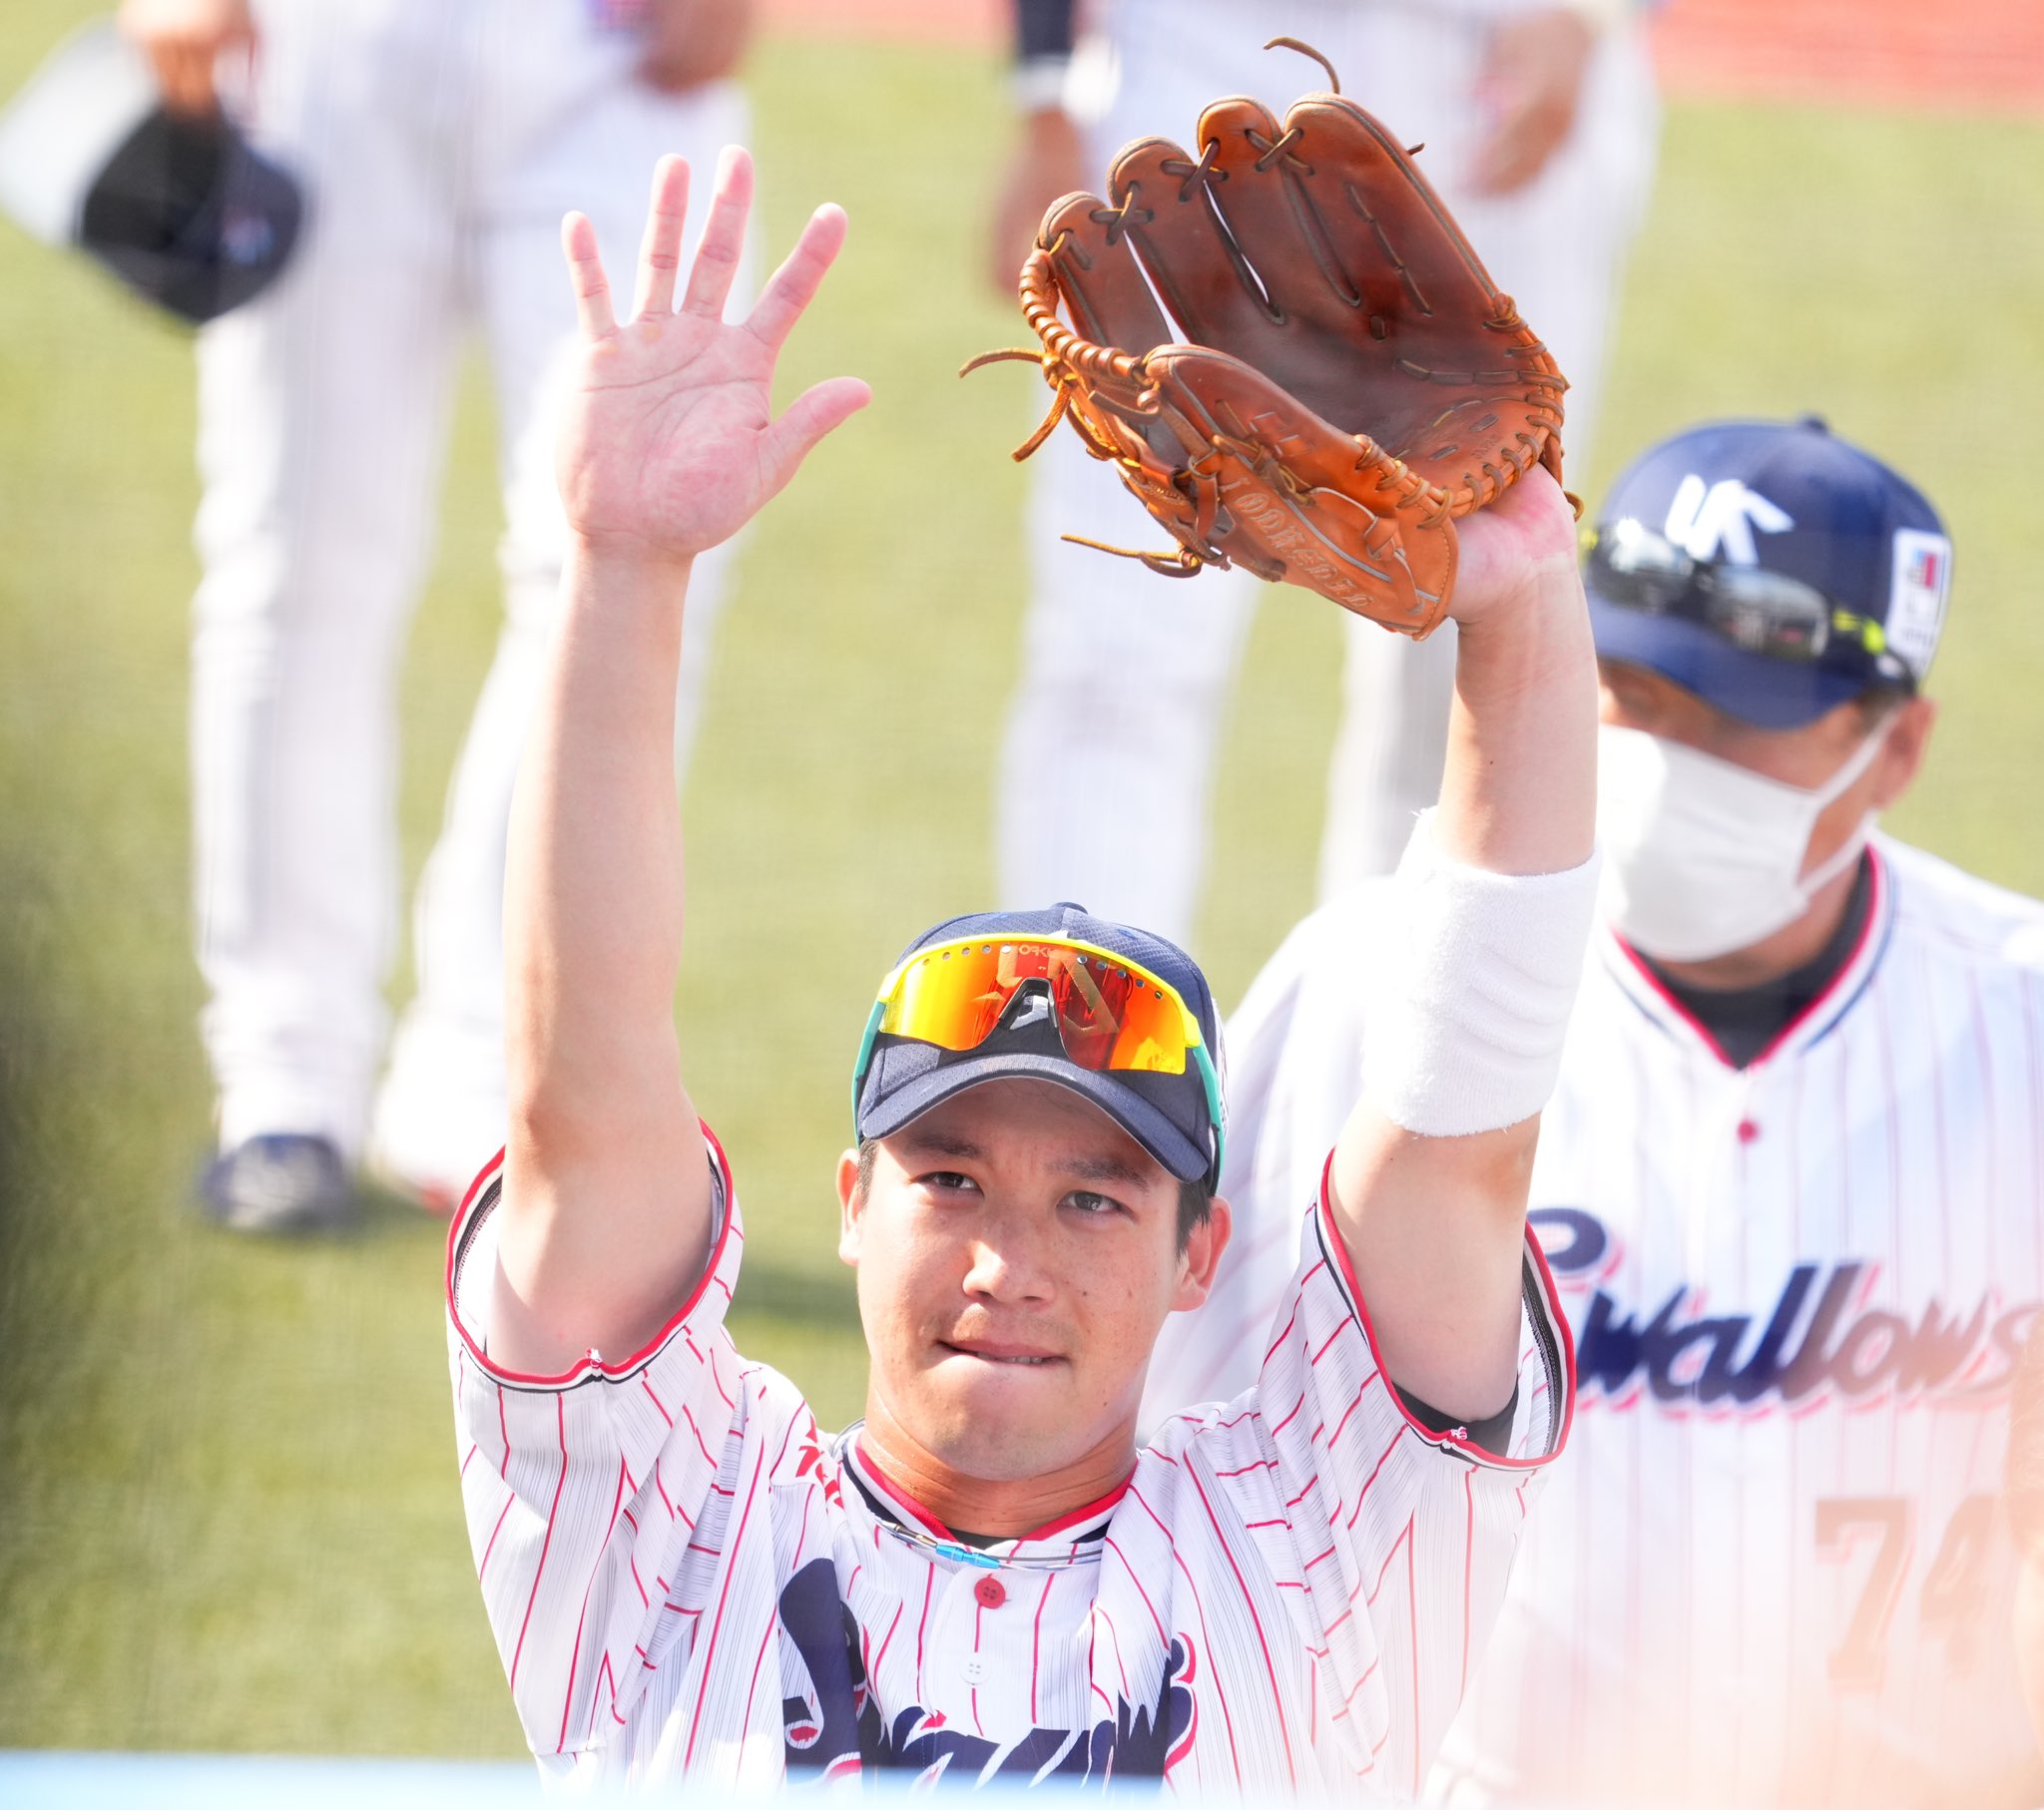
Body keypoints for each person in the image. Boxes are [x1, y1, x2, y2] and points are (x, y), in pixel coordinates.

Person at [446, 148, 1603, 1790]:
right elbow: (585, 1102)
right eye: (950, 1176)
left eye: (1095, 1198)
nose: (1008, 1258)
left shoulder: (1308, 1540)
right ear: (851, 1201)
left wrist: (1526, 598)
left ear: (1202, 1256)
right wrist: (622, 570)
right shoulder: (682, 1524)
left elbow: (1461, 1133)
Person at [1144, 416, 2044, 1805]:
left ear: (1895, 747)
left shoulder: (2019, 1018)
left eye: (1739, 717)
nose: (1670, 750)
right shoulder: (1372, 985)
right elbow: (1181, 1452)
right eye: (1632, 689)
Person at [117, 0, 755, 1229]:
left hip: (610, 57)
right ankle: (284, 1079)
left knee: (630, 554)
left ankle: (485, 1074)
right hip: (332, 42)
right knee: (295, 559)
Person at [987, 0, 1659, 945]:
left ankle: (1404, 1033)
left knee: (1470, 655)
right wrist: (1046, 90)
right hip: (1198, 50)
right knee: (1115, 649)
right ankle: (1086, 1025)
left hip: (1502, 56)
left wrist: (1594, 15)